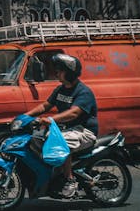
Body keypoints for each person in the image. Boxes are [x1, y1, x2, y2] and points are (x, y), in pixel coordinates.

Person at [23, 53, 97, 198]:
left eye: (60, 70)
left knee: (60, 142)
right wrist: (26, 116)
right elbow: (46, 105)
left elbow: (73, 113)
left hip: (84, 132)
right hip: (67, 129)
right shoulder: (61, 89)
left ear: (69, 72)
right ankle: (53, 174)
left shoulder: (83, 92)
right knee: (37, 139)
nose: (56, 72)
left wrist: (50, 120)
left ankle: (70, 180)